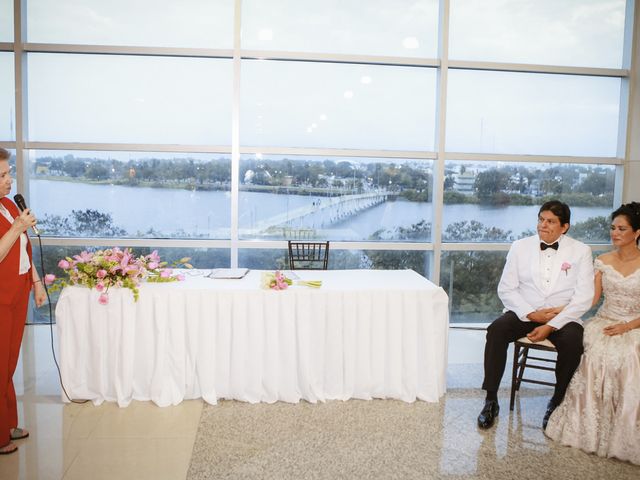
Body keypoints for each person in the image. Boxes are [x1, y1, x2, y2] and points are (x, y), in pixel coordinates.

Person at [477, 200, 594, 430]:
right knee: (496, 330)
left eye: (550, 221)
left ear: (565, 226)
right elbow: (506, 289)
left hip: (563, 317)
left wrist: (550, 324)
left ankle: (557, 400)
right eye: (541, 219)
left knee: (573, 342)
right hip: (526, 312)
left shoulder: (581, 252)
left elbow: (583, 298)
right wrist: (532, 314)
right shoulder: (520, 246)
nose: (543, 225)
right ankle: (491, 399)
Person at [545, 202, 640, 465]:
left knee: (630, 355)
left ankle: (625, 429)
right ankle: (590, 427)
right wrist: (562, 309)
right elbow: (591, 299)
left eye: (622, 228)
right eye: (612, 228)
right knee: (596, 352)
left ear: (637, 232)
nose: (615, 233)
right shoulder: (603, 261)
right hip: (604, 321)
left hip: (635, 325)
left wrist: (627, 326)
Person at [0, 148, 46, 455]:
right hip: (1, 298)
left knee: (9, 364)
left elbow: (24, 250)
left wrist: (37, 282)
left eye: (7, 173)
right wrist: (18, 227)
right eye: (2, 176)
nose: (9, 180)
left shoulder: (6, 204)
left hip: (18, 295)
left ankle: (7, 423)